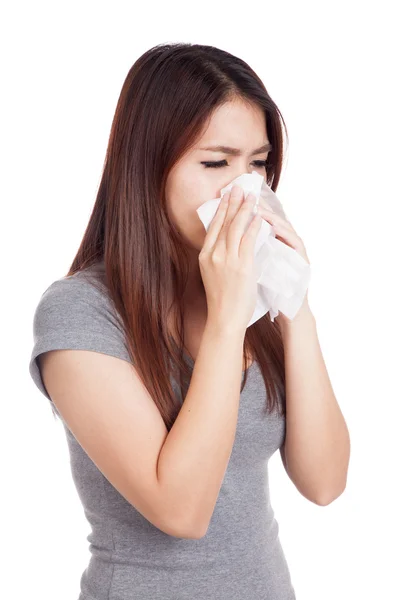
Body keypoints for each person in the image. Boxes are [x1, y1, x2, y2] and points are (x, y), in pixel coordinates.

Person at [29, 42, 297, 599]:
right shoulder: (80, 313)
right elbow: (182, 510)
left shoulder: (246, 295)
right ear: (149, 166)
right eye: (215, 163)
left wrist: (297, 298)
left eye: (257, 164)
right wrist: (228, 318)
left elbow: (325, 482)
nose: (243, 191)